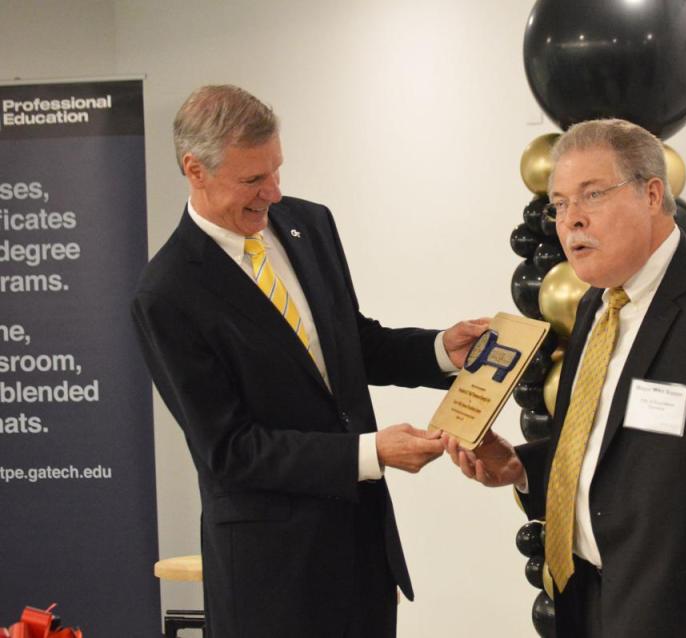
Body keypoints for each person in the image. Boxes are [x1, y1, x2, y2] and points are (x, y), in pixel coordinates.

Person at [443, 118, 686, 637]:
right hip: (590, 602)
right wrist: (519, 466)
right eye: (560, 204)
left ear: (652, 194)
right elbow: (608, 447)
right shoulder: (596, 303)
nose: (571, 222)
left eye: (591, 195)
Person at [132, 84, 486, 638]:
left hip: (361, 550)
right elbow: (228, 450)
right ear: (195, 170)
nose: (273, 192)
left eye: (277, 170)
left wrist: (441, 349)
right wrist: (369, 453)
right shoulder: (166, 293)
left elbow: (349, 343)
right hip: (271, 575)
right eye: (253, 180)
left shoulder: (308, 223)